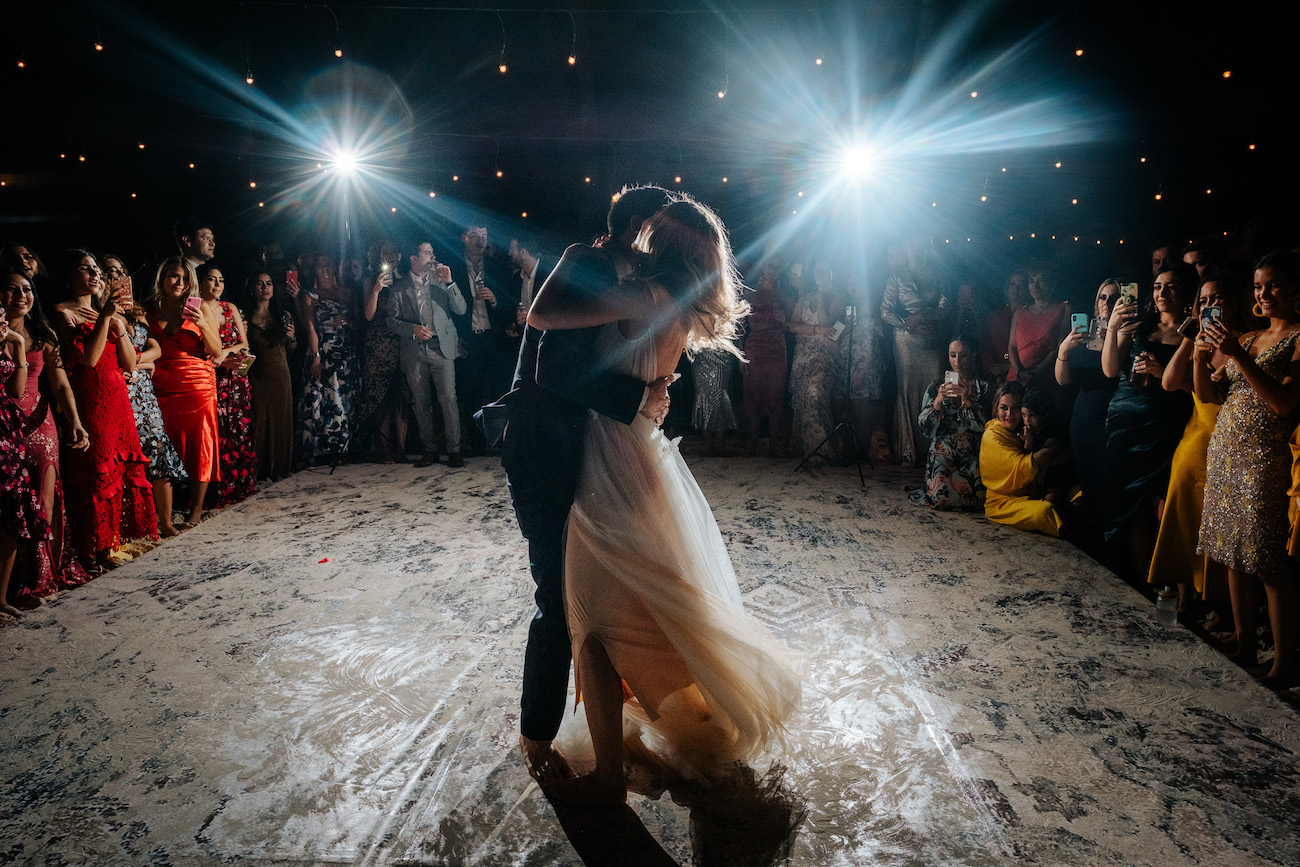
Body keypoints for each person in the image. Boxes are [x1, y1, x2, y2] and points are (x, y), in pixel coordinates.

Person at [527, 194, 802, 804]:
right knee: (640, 607)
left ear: (664, 245)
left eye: (650, 232)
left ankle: (609, 778)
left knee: (593, 623)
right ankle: (615, 764)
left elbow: (543, 318)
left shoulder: (644, 297)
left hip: (610, 464)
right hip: (641, 455)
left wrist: (572, 273)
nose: (639, 237)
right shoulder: (676, 304)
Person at [498, 183, 673, 786]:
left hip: (594, 445)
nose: (666, 244)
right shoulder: (590, 262)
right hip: (545, 442)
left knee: (604, 588)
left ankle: (606, 716)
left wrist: (656, 391)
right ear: (632, 226)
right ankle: (536, 734)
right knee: (557, 592)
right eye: (660, 229)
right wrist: (637, 397)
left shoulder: (637, 280)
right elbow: (555, 366)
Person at [1195, 251, 1300, 685]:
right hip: (1226, 451)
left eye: (1273, 284)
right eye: (1258, 286)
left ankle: (1285, 661)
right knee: (1231, 552)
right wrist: (1202, 357)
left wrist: (1236, 353)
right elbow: (1208, 396)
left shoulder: (1297, 337)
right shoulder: (1252, 335)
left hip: (1264, 457)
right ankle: (1243, 642)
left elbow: (1283, 403)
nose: (1264, 293)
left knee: (1267, 561)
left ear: (1295, 290)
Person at [53, 250, 158, 568]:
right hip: (91, 398)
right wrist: (105, 317)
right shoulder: (62, 312)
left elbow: (130, 361)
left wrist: (116, 320)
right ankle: (93, 550)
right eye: (86, 268)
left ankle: (112, 543)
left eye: (96, 269)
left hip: (118, 399)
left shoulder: (111, 314)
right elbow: (89, 359)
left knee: (119, 472)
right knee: (97, 473)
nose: (95, 274)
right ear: (70, 276)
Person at [1148, 273, 1243, 615]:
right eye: (1203, 301)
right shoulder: (1198, 342)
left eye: (1217, 299)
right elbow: (1171, 382)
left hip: (1230, 443)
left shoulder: (1247, 341)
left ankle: (1220, 606)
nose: (1210, 306)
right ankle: (1186, 599)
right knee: (1184, 522)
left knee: (1220, 530)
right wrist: (1192, 337)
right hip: (1194, 440)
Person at [1, 268, 89, 602]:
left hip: (40, 426)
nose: (21, 296)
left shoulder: (43, 334)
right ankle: (9, 583)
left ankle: (40, 577)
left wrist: (75, 420)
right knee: (8, 508)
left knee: (42, 501)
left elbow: (60, 383)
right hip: (3, 429)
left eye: (27, 289)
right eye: (11, 289)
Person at [1102, 265, 1195, 580]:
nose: (1162, 293)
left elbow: (1199, 384)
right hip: (1125, 418)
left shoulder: (1193, 333)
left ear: (1187, 293)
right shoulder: (1141, 326)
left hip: (1166, 421)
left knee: (1163, 506)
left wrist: (1162, 373)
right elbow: (1111, 369)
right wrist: (1114, 329)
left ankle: (1171, 581)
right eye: (1157, 287)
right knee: (1132, 507)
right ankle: (1142, 582)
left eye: (1171, 287)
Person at [106, 255, 188, 538]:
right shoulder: (99, 314)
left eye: (119, 271)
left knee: (157, 450)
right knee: (129, 458)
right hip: (119, 389)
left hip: (143, 392)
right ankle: (136, 525)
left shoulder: (136, 312)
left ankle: (165, 522)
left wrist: (141, 361)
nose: (115, 277)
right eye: (109, 273)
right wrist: (140, 364)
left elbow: (156, 348)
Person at [148, 257, 223, 526]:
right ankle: (164, 513)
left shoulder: (200, 307)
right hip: (161, 386)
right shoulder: (148, 308)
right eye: (173, 276)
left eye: (184, 278)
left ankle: (196, 510)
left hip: (197, 384)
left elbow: (217, 351)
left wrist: (202, 323)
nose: (179, 283)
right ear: (162, 278)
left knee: (198, 445)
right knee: (163, 448)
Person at [1054, 279, 1121, 549]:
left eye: (1114, 297)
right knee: (1088, 481)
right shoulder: (1085, 333)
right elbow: (1063, 380)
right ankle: (1092, 544)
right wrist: (1064, 349)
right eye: (1103, 297)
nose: (1107, 303)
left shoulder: (1126, 333)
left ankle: (1112, 547)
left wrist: (1114, 332)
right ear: (1096, 303)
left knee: (1110, 483)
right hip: (1083, 415)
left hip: (1113, 415)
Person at [387, 241, 466, 468]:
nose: (432, 257)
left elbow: (461, 309)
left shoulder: (441, 281)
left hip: (442, 348)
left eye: (433, 252)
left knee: (449, 400)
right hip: (415, 350)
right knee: (421, 403)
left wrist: (450, 281)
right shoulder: (399, 288)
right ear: (414, 258)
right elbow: (390, 321)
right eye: (427, 253)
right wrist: (412, 329)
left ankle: (454, 450)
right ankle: (430, 449)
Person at [1, 300, 51, 618]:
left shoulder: (6, 345)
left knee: (10, 515)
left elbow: (16, 391)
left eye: (1, 316)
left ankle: (1, 597)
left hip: (7, 432)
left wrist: (18, 346)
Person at [881, 242, 949, 466]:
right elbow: (885, 311)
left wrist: (925, 316)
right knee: (908, 391)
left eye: (923, 244)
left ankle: (931, 449)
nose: (918, 249)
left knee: (934, 387)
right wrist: (907, 324)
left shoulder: (939, 273)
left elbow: (946, 307)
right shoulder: (897, 276)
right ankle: (908, 451)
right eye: (914, 244)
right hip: (906, 340)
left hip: (932, 337)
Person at [198, 264, 256, 507]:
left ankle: (241, 485)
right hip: (210, 377)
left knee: (239, 430)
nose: (217, 284)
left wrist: (224, 354)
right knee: (216, 432)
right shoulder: (194, 309)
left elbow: (243, 342)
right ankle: (216, 491)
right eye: (211, 279)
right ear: (200, 282)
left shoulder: (229, 308)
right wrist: (219, 360)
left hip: (236, 379)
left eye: (220, 279)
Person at [910, 336, 989, 511]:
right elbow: (925, 429)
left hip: (973, 451)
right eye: (953, 355)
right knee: (940, 498)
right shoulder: (936, 387)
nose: (957, 361)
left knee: (982, 497)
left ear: (972, 355)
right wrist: (937, 402)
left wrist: (967, 400)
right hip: (943, 450)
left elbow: (987, 426)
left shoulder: (982, 387)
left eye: (963, 355)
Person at [980, 382, 1067, 535]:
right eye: (1003, 408)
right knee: (1044, 511)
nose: (1009, 414)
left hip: (1033, 492)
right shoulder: (993, 435)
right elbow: (1021, 466)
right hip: (1004, 502)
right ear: (996, 408)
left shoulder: (1025, 429)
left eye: (1015, 409)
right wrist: (1052, 450)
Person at [298, 253, 359, 465]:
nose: (324, 268)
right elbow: (310, 327)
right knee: (323, 396)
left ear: (334, 267)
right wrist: (316, 357)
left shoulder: (346, 291)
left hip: (344, 350)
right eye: (320, 265)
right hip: (322, 348)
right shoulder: (310, 295)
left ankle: (343, 447)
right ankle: (321, 449)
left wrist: (348, 322)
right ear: (314, 269)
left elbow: (360, 322)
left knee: (343, 398)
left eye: (327, 264)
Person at [789, 260, 845, 462]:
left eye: (825, 271)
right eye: (817, 271)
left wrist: (821, 297)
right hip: (802, 356)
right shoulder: (804, 297)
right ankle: (803, 450)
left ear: (832, 273)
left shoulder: (838, 297)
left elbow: (826, 323)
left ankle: (822, 451)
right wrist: (814, 330)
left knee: (816, 396)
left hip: (824, 356)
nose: (820, 274)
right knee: (802, 399)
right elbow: (792, 325)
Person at [244, 272, 296, 481]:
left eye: (268, 283)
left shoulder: (283, 314)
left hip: (281, 375)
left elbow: (292, 349)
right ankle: (259, 470)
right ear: (252, 288)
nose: (265, 287)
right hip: (258, 377)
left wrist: (292, 338)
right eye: (259, 283)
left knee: (281, 420)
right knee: (260, 422)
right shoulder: (245, 317)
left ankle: (280, 469)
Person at [358, 242, 407, 463]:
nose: (387, 255)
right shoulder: (371, 280)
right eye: (383, 252)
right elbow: (368, 315)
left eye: (390, 251)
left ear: (398, 255)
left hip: (402, 342)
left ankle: (402, 449)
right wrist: (377, 290)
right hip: (378, 344)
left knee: (402, 395)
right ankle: (384, 448)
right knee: (381, 397)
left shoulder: (405, 280)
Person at [741, 260, 788, 456]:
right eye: (770, 266)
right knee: (753, 393)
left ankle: (772, 447)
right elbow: (741, 327)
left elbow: (790, 324)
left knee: (775, 394)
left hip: (777, 347)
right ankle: (753, 445)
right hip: (754, 347)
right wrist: (740, 355)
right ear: (763, 269)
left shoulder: (782, 295)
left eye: (776, 267)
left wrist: (783, 322)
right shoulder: (749, 292)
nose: (773, 270)